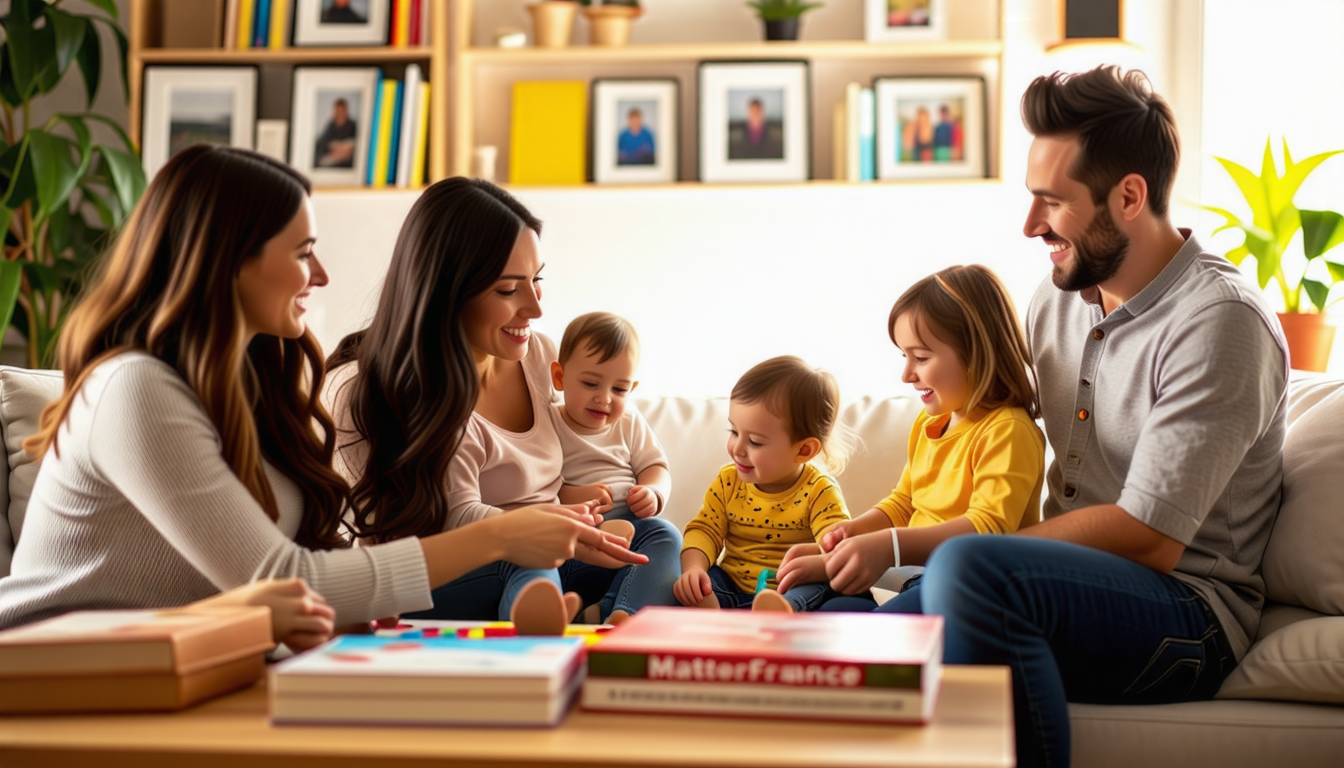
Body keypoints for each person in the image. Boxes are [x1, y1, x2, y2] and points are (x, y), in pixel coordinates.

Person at [0, 146, 640, 639]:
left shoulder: (250, 389)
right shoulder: (133, 389)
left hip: (187, 664)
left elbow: (298, 574)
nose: (323, 274)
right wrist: (503, 537)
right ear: (228, 259)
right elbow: (290, 580)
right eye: (303, 251)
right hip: (60, 677)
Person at [918, 66, 1289, 768]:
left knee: (968, 571)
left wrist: (975, 550)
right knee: (855, 626)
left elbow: (1151, 538)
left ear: (1128, 196)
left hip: (1190, 613)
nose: (1030, 226)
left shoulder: (1219, 322)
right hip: (1055, 586)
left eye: (1051, 203)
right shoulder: (1055, 298)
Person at [324, 177, 669, 628]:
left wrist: (591, 507)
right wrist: (533, 529)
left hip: (552, 553)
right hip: (449, 578)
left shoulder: (541, 357)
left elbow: (596, 445)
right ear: (446, 293)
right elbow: (381, 555)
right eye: (508, 290)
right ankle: (537, 619)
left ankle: (622, 622)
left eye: (537, 280)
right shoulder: (360, 390)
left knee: (656, 536)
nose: (536, 308)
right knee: (522, 551)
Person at [789, 265, 1044, 614]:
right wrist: (853, 534)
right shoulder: (930, 424)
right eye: (904, 356)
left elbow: (987, 529)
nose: (907, 374)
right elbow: (903, 504)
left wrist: (889, 547)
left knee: (871, 630)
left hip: (968, 582)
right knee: (833, 610)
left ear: (977, 354)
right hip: (913, 576)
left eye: (921, 357)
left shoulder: (1008, 431)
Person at [674, 356, 853, 614]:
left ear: (804, 450)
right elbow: (705, 530)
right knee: (700, 582)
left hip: (790, 586)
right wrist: (694, 571)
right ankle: (712, 610)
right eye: (734, 432)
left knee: (820, 584)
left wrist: (817, 564)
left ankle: (781, 610)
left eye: (755, 442)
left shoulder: (819, 490)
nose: (737, 449)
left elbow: (836, 549)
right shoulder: (728, 482)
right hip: (731, 586)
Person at [548, 311, 681, 624]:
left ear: (631, 388)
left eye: (619, 390)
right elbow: (537, 485)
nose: (604, 398)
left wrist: (652, 492)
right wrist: (572, 495)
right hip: (573, 543)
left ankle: (621, 614)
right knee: (532, 556)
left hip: (628, 535)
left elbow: (656, 466)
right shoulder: (547, 421)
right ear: (560, 377)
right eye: (591, 383)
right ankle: (573, 608)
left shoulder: (629, 420)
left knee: (666, 535)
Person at [314, 98, 357, 169]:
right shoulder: (332, 124)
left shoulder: (353, 125)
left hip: (347, 161)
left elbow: (358, 142)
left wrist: (345, 146)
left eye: (341, 111)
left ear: (346, 111)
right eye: (337, 111)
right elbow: (322, 141)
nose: (339, 113)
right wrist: (331, 145)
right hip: (332, 158)